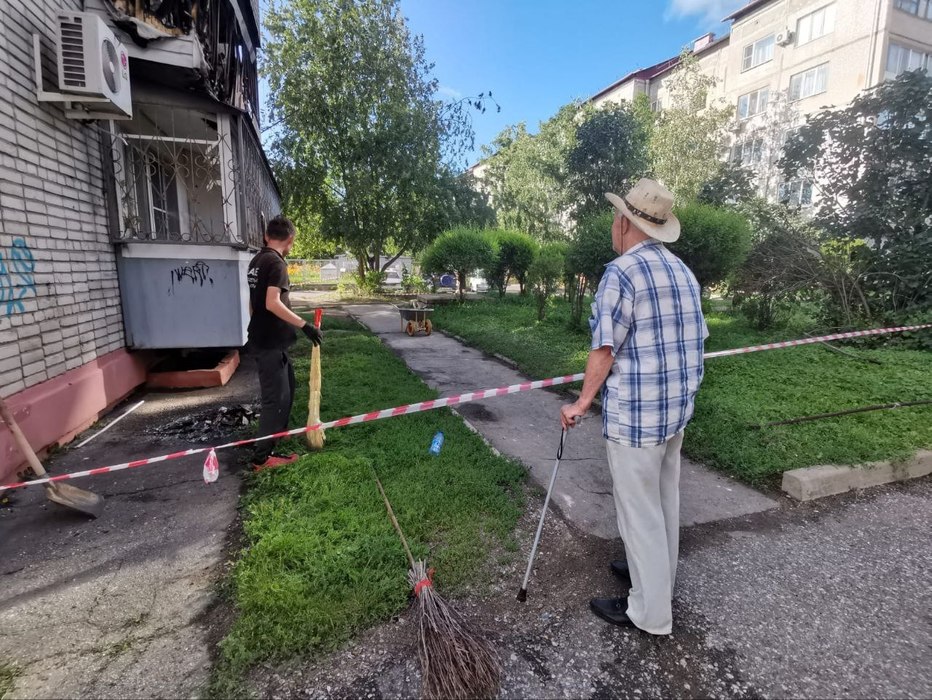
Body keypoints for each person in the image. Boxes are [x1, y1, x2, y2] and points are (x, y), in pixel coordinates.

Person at [560, 178, 708, 636]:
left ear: (624, 222)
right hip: (674, 412)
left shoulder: (622, 272)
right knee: (664, 499)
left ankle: (649, 612)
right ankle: (658, 577)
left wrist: (582, 401)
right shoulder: (681, 270)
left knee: (639, 510)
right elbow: (698, 341)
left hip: (638, 417)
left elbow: (604, 349)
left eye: (615, 216)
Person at [246, 215, 322, 471]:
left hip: (267, 340)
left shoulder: (257, 260)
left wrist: (260, 326)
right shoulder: (276, 264)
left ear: (267, 236)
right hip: (269, 345)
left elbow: (253, 304)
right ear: (290, 240)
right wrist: (304, 325)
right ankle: (261, 458)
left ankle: (275, 440)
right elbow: (271, 302)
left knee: (288, 390)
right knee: (275, 400)